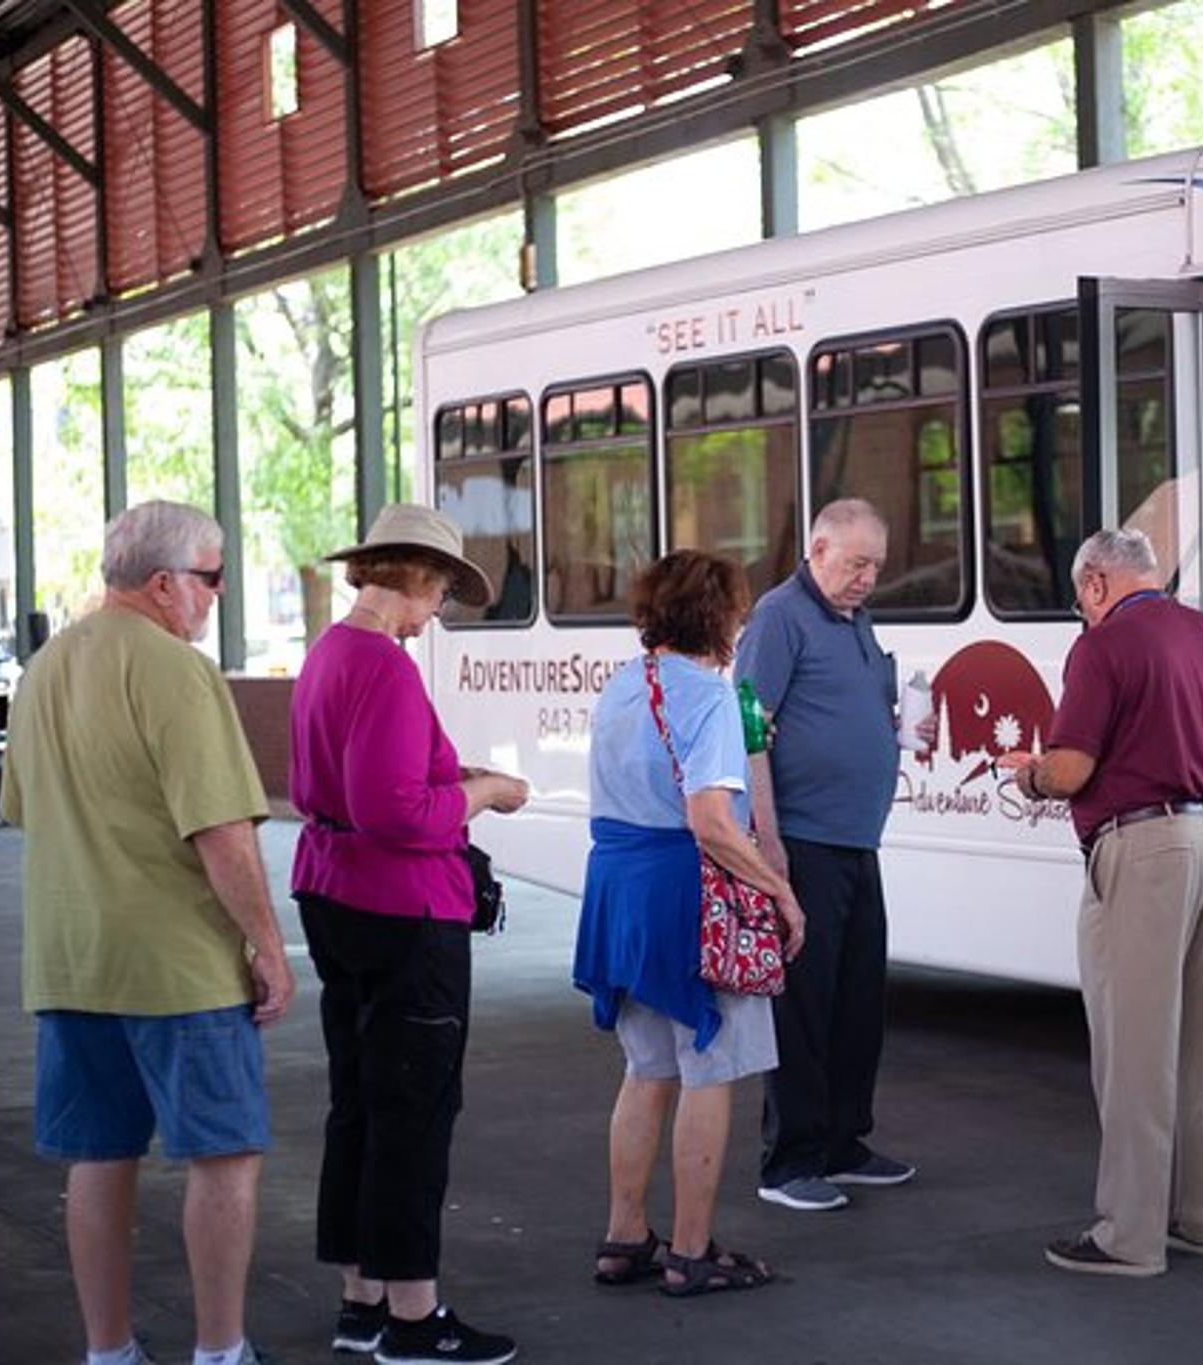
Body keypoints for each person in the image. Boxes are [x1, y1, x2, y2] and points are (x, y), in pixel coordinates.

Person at [0, 500, 294, 1365]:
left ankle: (110, 1350)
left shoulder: (43, 671)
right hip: (179, 966)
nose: (217, 594)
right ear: (165, 585)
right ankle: (220, 1348)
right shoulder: (175, 671)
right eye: (211, 576)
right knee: (224, 1152)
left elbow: (21, 809)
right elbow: (221, 832)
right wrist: (269, 947)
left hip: (68, 958)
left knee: (96, 1156)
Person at [290, 504, 529, 1365]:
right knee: (414, 1109)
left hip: (333, 892)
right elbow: (395, 811)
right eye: (439, 595)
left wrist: (448, 779)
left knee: (359, 1096)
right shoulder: (384, 668)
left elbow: (347, 788)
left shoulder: (326, 654)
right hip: (403, 911)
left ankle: (361, 1298)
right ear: (417, 580)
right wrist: (486, 792)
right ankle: (415, 1317)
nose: (435, 615)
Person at [997, 527, 1203, 1278]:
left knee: (1135, 1046)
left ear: (1098, 584)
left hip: (1148, 846)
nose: (1084, 610)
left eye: (1083, 596)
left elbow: (1074, 769)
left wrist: (1030, 774)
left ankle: (1130, 1235)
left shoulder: (1104, 646)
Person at [573, 550, 806, 1296]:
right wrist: (778, 890)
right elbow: (711, 820)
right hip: (689, 894)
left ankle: (625, 1233)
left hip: (619, 888)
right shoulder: (708, 697)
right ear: (723, 617)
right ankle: (693, 1250)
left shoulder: (618, 685)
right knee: (711, 1066)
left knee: (646, 1068)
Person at [736, 498, 931, 1212]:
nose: (867, 578)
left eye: (876, 565)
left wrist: (900, 726)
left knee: (856, 1000)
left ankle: (845, 1140)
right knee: (805, 1004)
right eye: (855, 563)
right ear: (817, 549)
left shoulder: (855, 618)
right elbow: (749, 721)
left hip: (855, 838)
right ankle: (788, 1160)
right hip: (808, 838)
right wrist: (770, 843)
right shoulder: (781, 616)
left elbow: (846, 709)